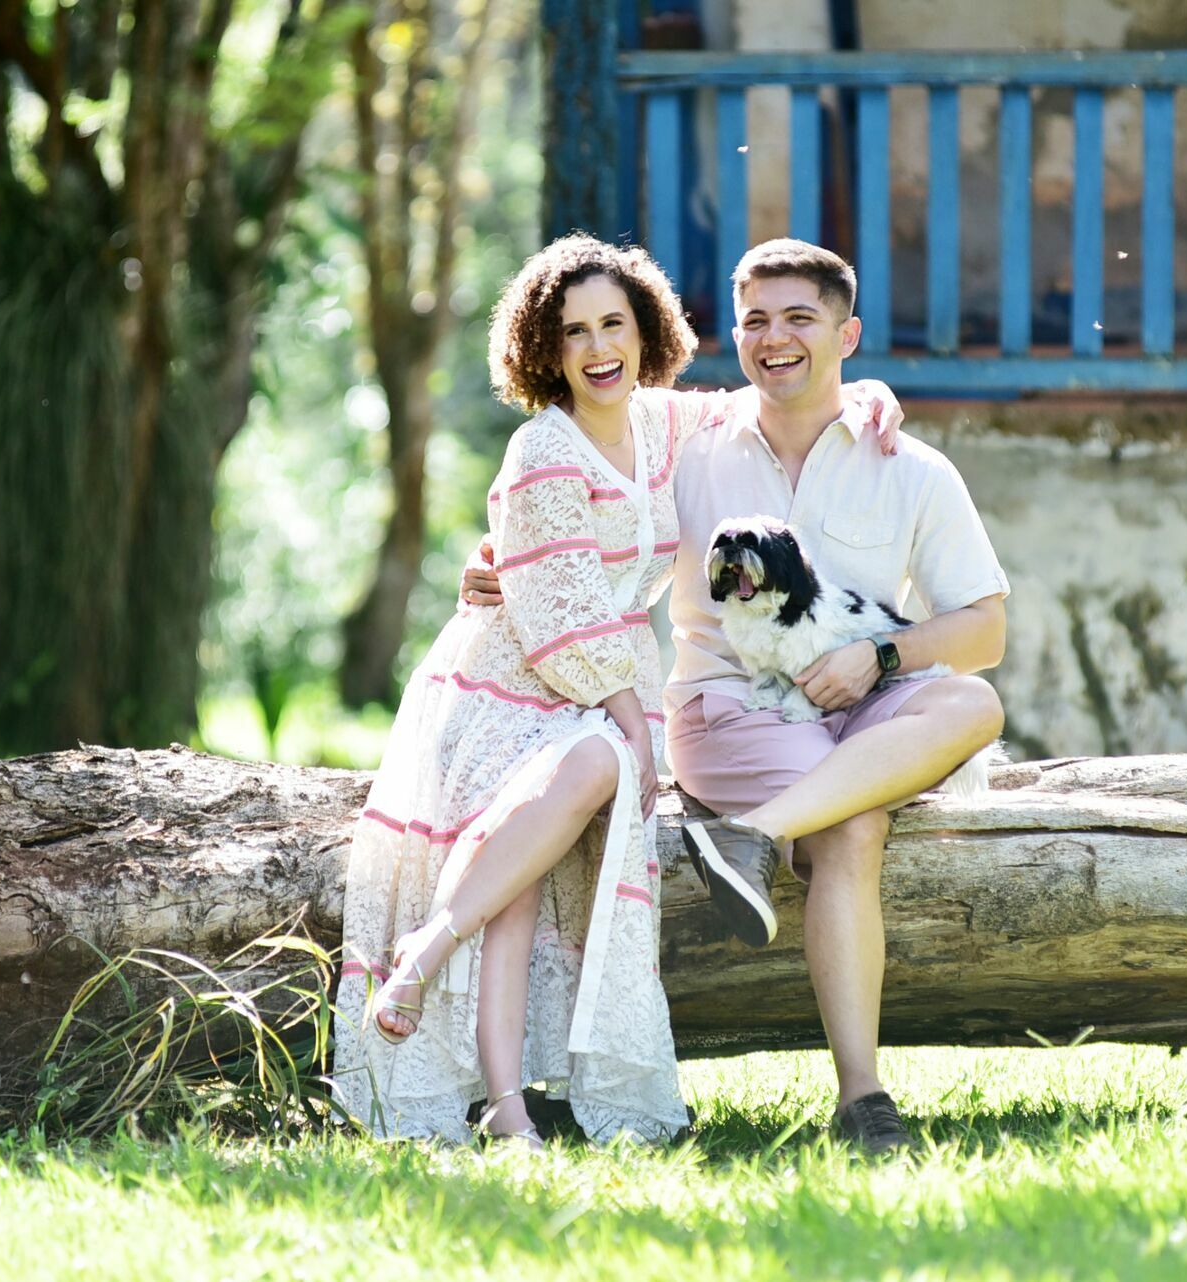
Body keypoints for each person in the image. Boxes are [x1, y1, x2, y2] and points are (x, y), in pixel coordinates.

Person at [329, 235, 896, 1148]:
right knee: (586, 774)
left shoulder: (659, 425)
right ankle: (438, 966)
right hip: (508, 685)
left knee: (531, 858)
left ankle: (504, 1100)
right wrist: (635, 723)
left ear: (644, 334)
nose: (598, 350)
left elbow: (761, 397)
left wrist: (863, 391)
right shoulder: (540, 450)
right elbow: (560, 621)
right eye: (574, 332)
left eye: (613, 326)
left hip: (596, 689)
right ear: (544, 350)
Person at [465, 238, 1008, 1156]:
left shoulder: (909, 465)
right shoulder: (685, 445)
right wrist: (501, 564)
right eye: (755, 320)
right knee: (850, 825)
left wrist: (882, 656)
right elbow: (574, 490)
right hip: (732, 710)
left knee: (974, 706)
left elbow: (984, 632)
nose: (774, 339)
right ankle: (865, 1099)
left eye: (800, 319)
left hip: (863, 704)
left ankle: (752, 838)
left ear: (849, 334)